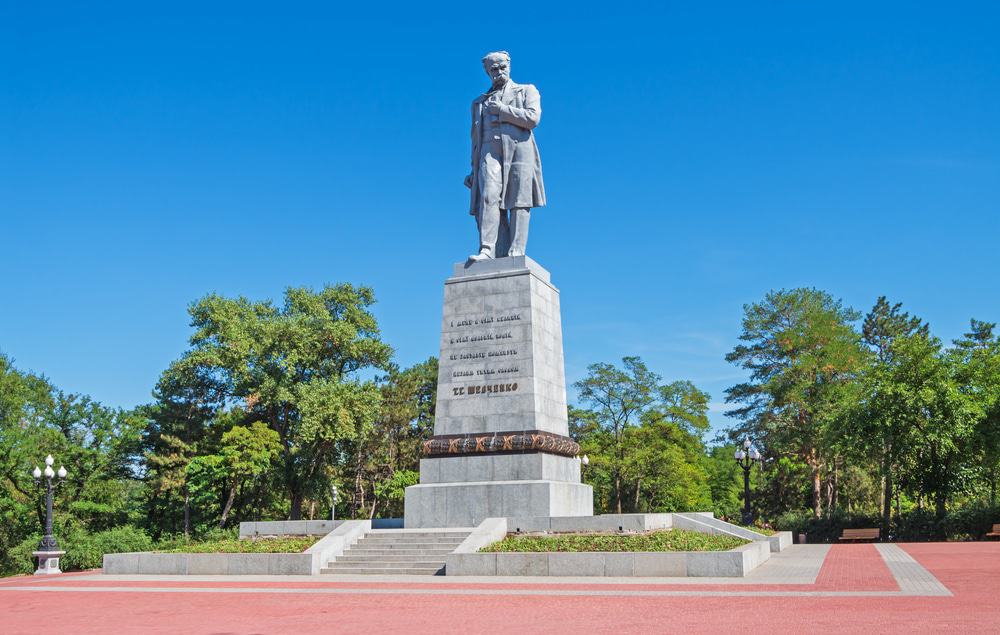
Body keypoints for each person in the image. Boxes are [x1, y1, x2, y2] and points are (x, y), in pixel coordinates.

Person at [465, 51, 546, 261]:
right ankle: (488, 249)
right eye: (494, 69)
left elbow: (533, 118)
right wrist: (473, 170)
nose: (499, 72)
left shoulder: (527, 90)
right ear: (487, 72)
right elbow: (476, 139)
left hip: (520, 150)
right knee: (488, 196)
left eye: (502, 67)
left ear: (509, 66)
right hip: (488, 152)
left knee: (519, 200)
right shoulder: (479, 103)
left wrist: (503, 111)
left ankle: (516, 251)